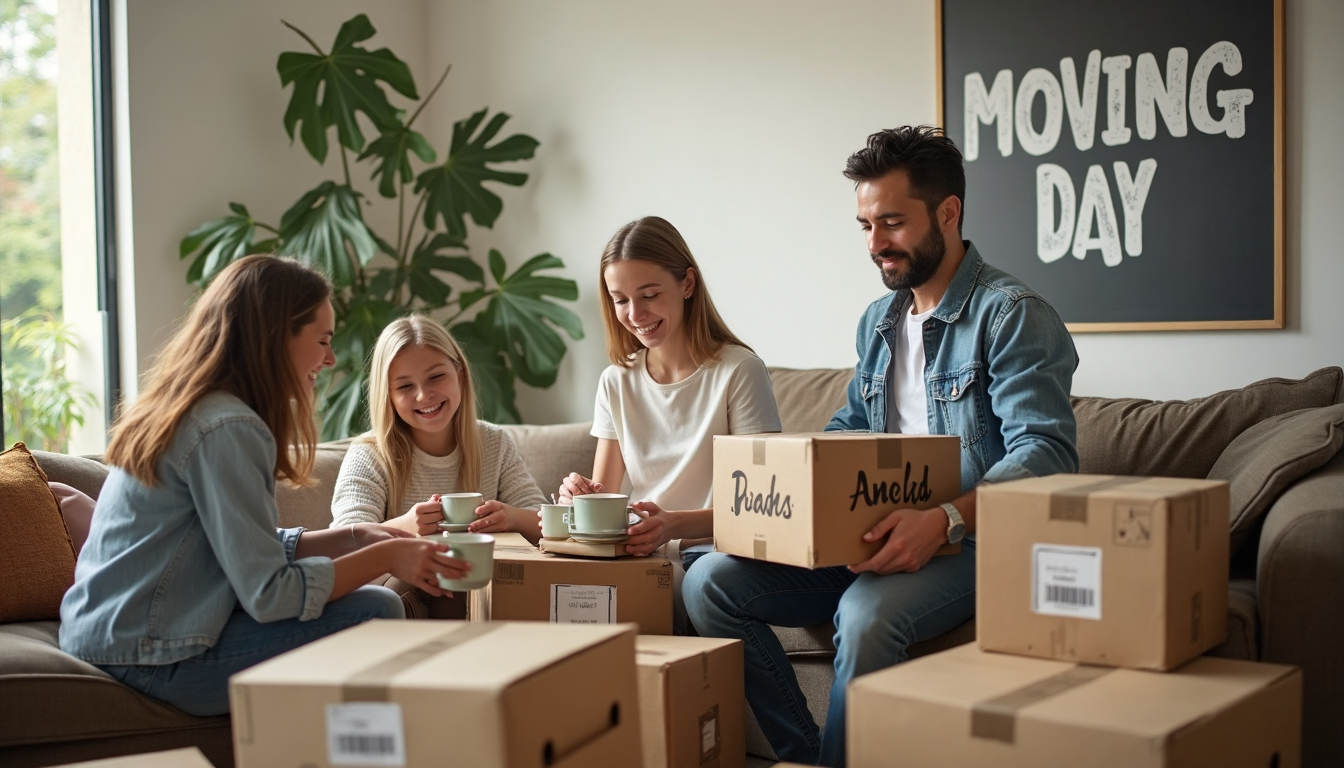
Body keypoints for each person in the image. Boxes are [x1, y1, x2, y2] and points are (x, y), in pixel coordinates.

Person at [684, 126, 1080, 766]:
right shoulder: (880, 320)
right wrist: (804, 476)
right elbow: (852, 430)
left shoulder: (1011, 314)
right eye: (865, 225)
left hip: (973, 540)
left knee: (866, 616)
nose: (875, 244)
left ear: (947, 213)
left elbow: (1045, 453)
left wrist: (943, 520)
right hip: (872, 530)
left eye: (892, 223)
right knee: (707, 582)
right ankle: (806, 754)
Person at [59, 255, 468, 717]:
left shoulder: (198, 409)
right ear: (276, 338)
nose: (330, 359)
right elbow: (269, 594)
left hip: (107, 633)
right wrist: (386, 556)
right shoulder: (229, 428)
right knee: (377, 609)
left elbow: (228, 550)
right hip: (151, 654)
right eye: (323, 340)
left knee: (375, 601)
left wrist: (354, 538)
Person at [560, 216, 781, 578]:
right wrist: (579, 498)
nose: (635, 315)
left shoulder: (739, 370)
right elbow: (604, 494)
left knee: (693, 582)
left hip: (712, 553)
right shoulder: (616, 381)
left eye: (649, 295)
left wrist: (672, 525)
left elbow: (762, 507)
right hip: (642, 550)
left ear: (687, 284)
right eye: (620, 300)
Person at [331, 315, 546, 541]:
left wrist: (511, 517)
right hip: (400, 577)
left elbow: (543, 524)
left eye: (436, 376)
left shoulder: (494, 442)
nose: (424, 395)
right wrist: (406, 526)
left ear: (460, 376)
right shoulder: (369, 454)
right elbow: (344, 541)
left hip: (486, 574)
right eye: (405, 386)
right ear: (388, 396)